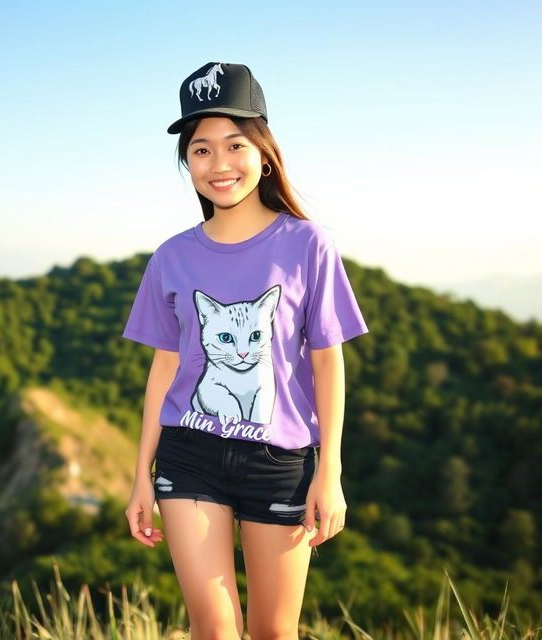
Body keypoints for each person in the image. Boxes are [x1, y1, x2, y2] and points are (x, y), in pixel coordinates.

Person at [122, 61, 369, 640]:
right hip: (188, 455)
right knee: (212, 628)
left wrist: (328, 472)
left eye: (234, 144)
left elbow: (327, 360)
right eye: (200, 150)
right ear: (188, 164)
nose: (219, 164)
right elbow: (166, 366)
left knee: (273, 632)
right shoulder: (171, 257)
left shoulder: (308, 244)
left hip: (279, 464)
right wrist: (140, 475)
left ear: (263, 150)